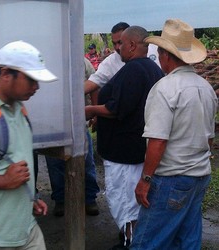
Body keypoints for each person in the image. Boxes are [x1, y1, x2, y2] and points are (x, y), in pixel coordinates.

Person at [130, 19, 218, 250]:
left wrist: (145, 180)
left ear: (165, 55)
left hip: (172, 177)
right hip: (199, 175)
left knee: (147, 242)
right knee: (187, 240)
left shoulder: (165, 88)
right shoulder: (205, 87)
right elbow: (209, 138)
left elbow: (158, 141)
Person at [0, 40, 57, 249]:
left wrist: (27, 199)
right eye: (31, 80)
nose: (37, 87)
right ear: (6, 73)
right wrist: (3, 181)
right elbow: (6, 176)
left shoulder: (18, 109)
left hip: (26, 231)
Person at [85, 26, 164, 250]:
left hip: (125, 152)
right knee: (130, 200)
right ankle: (134, 240)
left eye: (121, 44)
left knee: (125, 201)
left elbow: (117, 108)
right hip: (136, 147)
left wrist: (91, 110)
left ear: (131, 45)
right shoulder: (152, 69)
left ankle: (132, 243)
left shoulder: (134, 70)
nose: (117, 48)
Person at [44, 57, 100, 217]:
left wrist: (95, 112)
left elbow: (94, 85)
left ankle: (89, 198)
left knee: (86, 160)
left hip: (77, 120)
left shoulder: (81, 61)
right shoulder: (48, 58)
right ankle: (61, 200)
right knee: (55, 162)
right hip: (52, 122)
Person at [84, 22, 160, 95]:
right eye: (114, 43)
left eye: (120, 42)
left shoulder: (156, 51)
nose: (117, 47)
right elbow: (93, 82)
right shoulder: (110, 63)